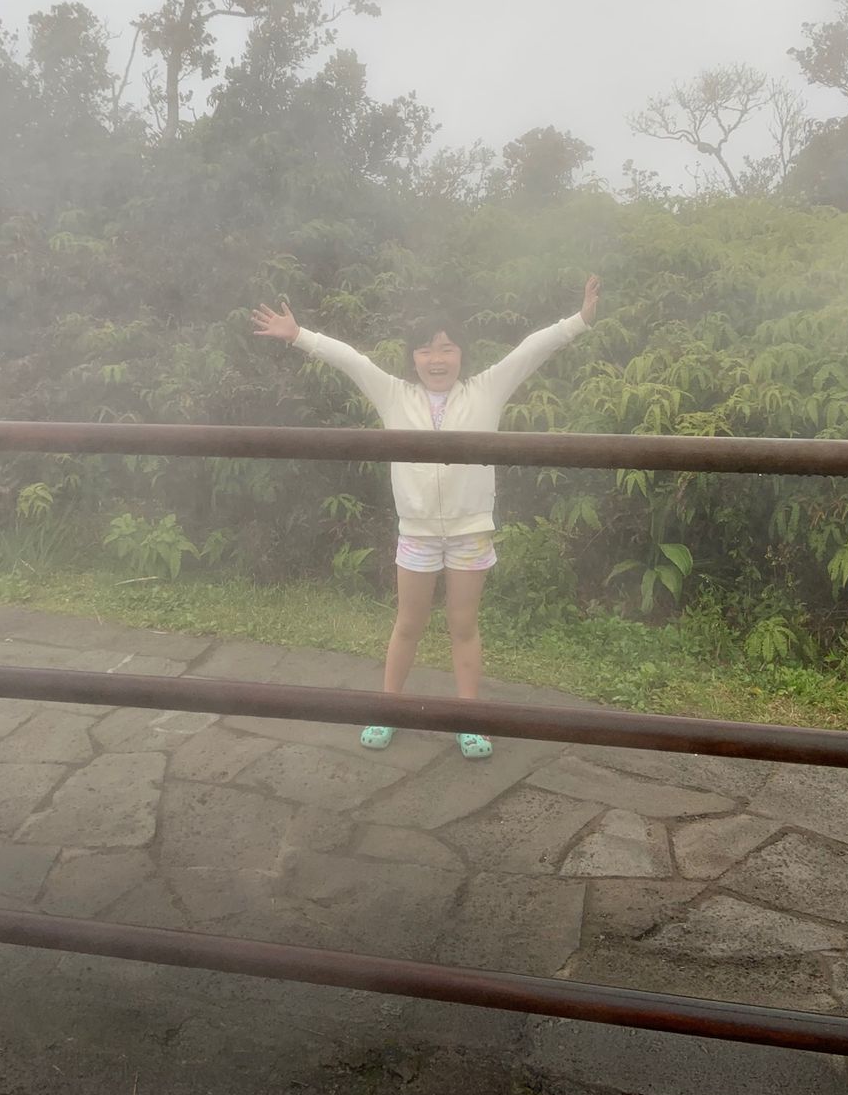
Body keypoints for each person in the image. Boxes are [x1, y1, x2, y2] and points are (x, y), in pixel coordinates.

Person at [252, 277, 601, 759]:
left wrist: (579, 321)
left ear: (462, 355)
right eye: (425, 350)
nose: (437, 359)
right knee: (408, 624)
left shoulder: (486, 390)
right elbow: (353, 360)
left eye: (447, 349)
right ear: (412, 358)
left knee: (464, 627)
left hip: (470, 531)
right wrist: (299, 336)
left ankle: (469, 720)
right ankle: (388, 710)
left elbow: (529, 351)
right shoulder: (394, 395)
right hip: (416, 532)